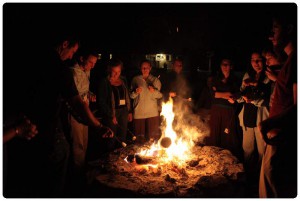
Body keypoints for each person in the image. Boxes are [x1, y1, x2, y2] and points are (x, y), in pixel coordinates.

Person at [25, 33, 113, 197]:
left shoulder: (36, 59)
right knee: (63, 160)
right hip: (54, 125)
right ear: (64, 44)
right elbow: (76, 103)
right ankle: (72, 190)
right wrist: (99, 126)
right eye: (73, 51)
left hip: (36, 126)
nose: (71, 56)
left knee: (75, 151)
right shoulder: (62, 69)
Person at [259, 10, 297, 198]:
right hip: (277, 136)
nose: (270, 34)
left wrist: (270, 123)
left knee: (273, 188)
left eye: (275, 28)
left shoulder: (296, 61)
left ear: (289, 29)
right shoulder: (290, 61)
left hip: (282, 138)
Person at [236, 52, 271, 185]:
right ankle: (248, 178)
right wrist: (237, 97)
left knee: (262, 151)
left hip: (262, 118)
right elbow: (242, 94)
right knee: (248, 150)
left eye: (259, 60)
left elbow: (268, 100)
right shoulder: (247, 75)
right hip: (248, 117)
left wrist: (254, 99)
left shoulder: (268, 77)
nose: (256, 63)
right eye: (253, 60)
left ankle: (260, 179)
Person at [68, 48, 98, 190]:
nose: (92, 66)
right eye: (90, 62)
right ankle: (76, 181)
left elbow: (84, 90)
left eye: (94, 63)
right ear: (81, 58)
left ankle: (81, 175)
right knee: (77, 146)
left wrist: (90, 94)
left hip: (85, 113)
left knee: (84, 144)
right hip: (76, 114)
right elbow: (72, 97)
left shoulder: (87, 71)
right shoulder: (72, 72)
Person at [206, 58, 242, 160]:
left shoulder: (235, 80)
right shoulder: (215, 79)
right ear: (220, 66)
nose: (225, 67)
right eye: (223, 64)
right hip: (216, 110)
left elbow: (235, 95)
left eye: (228, 65)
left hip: (229, 111)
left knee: (228, 136)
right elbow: (213, 95)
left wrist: (220, 94)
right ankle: (213, 158)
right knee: (214, 134)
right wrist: (228, 94)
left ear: (231, 66)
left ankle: (227, 160)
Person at [97, 58, 132, 149]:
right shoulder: (104, 82)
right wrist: (111, 115)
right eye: (114, 71)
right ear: (109, 70)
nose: (117, 74)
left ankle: (121, 158)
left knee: (122, 137)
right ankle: (110, 159)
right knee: (112, 138)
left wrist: (129, 111)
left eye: (119, 71)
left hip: (124, 111)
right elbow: (101, 101)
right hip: (112, 112)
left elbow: (127, 95)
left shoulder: (123, 80)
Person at [130, 59, 162, 144]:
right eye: (143, 68)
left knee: (152, 138)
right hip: (139, 113)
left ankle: (153, 155)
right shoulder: (135, 79)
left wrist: (153, 91)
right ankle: (139, 155)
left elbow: (160, 96)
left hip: (152, 113)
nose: (145, 69)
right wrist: (136, 92)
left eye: (147, 68)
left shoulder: (155, 80)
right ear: (140, 68)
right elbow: (131, 96)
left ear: (150, 68)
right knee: (139, 139)